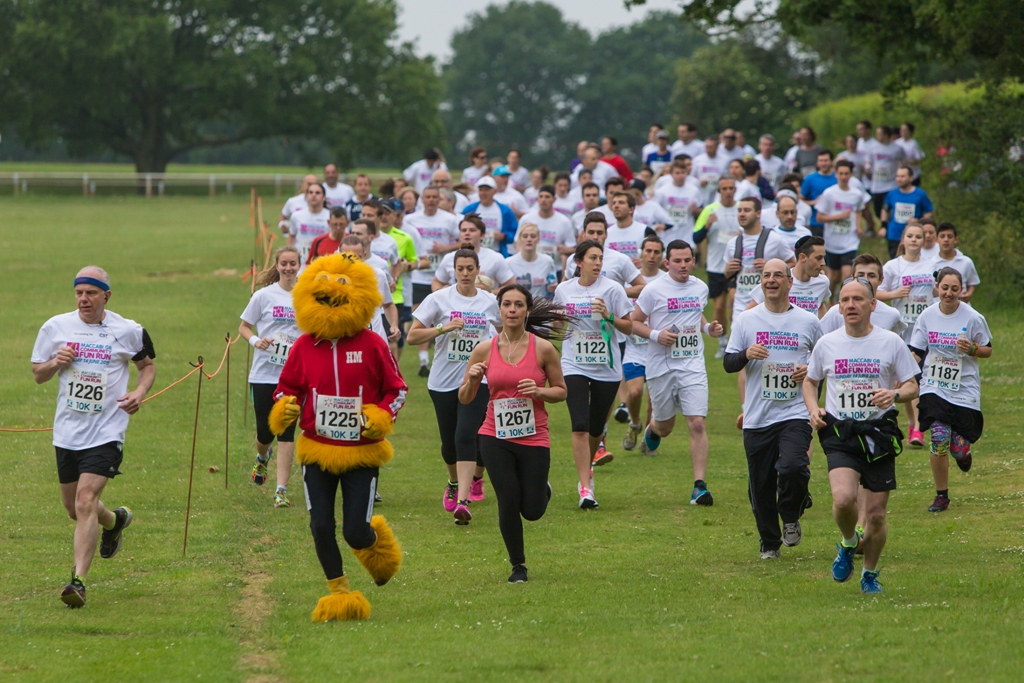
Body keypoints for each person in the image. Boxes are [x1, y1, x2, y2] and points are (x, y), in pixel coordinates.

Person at [268, 253, 406, 621]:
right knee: (320, 526)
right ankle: (340, 593)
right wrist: (285, 408)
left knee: (356, 532)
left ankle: (380, 552)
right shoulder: (303, 346)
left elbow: (398, 390)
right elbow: (285, 389)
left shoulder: (374, 344)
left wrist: (381, 415)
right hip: (316, 450)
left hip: (361, 452)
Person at [32, 266, 156, 608]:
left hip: (107, 430)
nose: (84, 299)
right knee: (75, 509)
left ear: (106, 295)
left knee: (86, 500)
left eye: (91, 292)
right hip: (67, 431)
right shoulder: (55, 327)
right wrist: (57, 361)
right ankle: (115, 521)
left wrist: (139, 392)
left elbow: (147, 365)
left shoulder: (128, 330)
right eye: (79, 293)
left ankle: (78, 582)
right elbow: (37, 374)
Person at [803, 276, 920, 595]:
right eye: (845, 300)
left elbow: (912, 385)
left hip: (878, 433)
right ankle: (848, 541)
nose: (850, 305)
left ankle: (869, 573)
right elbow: (810, 381)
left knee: (877, 514)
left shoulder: (890, 341)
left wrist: (894, 396)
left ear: (872, 304)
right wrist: (813, 408)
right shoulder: (827, 343)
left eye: (857, 299)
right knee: (843, 500)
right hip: (840, 431)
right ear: (839, 306)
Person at [461, 284, 569, 582]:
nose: (512, 310)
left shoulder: (542, 348)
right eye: (506, 304)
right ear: (499, 309)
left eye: (518, 305)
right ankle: (518, 565)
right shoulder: (484, 349)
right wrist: (471, 381)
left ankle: (542, 490)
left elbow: (561, 391)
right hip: (494, 435)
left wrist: (540, 391)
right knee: (507, 499)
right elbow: (464, 398)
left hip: (534, 436)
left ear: (526, 310)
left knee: (532, 510)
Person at [725, 258, 820, 558]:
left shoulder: (808, 321)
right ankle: (769, 542)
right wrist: (745, 354)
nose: (771, 280)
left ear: (790, 283)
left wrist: (810, 371)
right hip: (758, 415)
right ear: (761, 282)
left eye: (778, 275)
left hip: (795, 411)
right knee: (761, 484)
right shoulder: (746, 320)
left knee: (794, 466)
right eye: (766, 275)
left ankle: (790, 514)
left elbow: (823, 361)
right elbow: (728, 363)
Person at [408, 248, 501, 525]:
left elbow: (509, 330)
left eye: (469, 269)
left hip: (477, 379)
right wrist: (442, 329)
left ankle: (463, 501)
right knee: (449, 444)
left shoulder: (490, 302)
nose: (465, 274)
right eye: (460, 269)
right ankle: (452, 481)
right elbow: (412, 337)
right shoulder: (438, 299)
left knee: (465, 436)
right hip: (443, 382)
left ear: (477, 270)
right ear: (453, 270)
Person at [631, 241, 725, 504]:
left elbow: (697, 317)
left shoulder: (700, 287)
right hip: (661, 367)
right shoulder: (653, 290)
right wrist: (655, 334)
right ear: (667, 263)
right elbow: (633, 322)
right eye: (678, 261)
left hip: (692, 365)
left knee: (696, 423)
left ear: (693, 261)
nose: (683, 265)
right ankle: (652, 430)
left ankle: (699, 487)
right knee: (665, 426)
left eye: (688, 260)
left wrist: (709, 330)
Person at [553, 241, 634, 508]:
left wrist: (608, 316)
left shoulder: (613, 289)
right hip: (573, 364)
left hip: (606, 368)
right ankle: (585, 487)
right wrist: (557, 316)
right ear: (579, 262)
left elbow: (629, 327)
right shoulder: (564, 290)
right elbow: (556, 324)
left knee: (596, 429)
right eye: (592, 258)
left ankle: (587, 471)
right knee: (580, 424)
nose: (598, 263)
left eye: (600, 258)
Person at [909, 267, 993, 512]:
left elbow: (988, 350)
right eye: (944, 288)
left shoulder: (973, 317)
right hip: (933, 386)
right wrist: (901, 372)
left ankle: (962, 454)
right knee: (939, 438)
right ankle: (941, 495)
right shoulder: (926, 316)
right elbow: (916, 351)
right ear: (937, 287)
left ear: (961, 290)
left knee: (957, 446)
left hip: (963, 389)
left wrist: (972, 349)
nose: (948, 293)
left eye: (954, 289)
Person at [241, 247, 302, 507]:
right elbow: (244, 326)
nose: (288, 268)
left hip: (294, 376)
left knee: (287, 432)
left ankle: (281, 490)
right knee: (265, 433)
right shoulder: (263, 296)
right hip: (264, 374)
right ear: (277, 266)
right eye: (284, 264)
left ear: (299, 265)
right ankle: (262, 457)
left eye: (293, 263)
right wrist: (256, 341)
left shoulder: (307, 296)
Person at [877, 222, 935, 446]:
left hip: (924, 331)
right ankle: (913, 425)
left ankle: (918, 430)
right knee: (907, 382)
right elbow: (875, 291)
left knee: (920, 381)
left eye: (918, 237)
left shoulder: (931, 265)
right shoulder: (893, 266)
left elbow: (938, 291)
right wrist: (894, 293)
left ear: (924, 240)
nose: (914, 240)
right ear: (903, 239)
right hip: (902, 332)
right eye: (910, 236)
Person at [620, 235, 666, 450]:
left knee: (654, 402)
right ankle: (635, 423)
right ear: (641, 253)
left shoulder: (667, 281)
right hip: (634, 348)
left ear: (662, 256)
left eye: (657, 252)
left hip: (659, 347)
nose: (652, 256)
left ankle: (648, 439)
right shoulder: (630, 281)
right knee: (635, 392)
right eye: (648, 251)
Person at [692, 176, 742, 358]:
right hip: (715, 266)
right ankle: (723, 341)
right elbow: (696, 238)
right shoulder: (710, 209)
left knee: (735, 300)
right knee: (720, 306)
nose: (728, 191)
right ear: (719, 191)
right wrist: (707, 225)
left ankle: (736, 339)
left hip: (737, 266)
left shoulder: (741, 209)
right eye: (725, 188)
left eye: (731, 188)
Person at [819, 254, 905, 336]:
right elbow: (819, 341)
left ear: (881, 280)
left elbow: (897, 346)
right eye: (860, 275)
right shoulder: (836, 312)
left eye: (871, 276)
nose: (866, 280)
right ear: (853, 278)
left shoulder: (891, 315)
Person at [816, 160, 867, 295]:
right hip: (832, 241)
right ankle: (831, 299)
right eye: (841, 174)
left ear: (851, 175)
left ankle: (842, 301)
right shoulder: (829, 193)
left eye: (846, 174)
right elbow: (819, 217)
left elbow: (858, 210)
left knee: (846, 275)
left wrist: (858, 226)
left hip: (850, 241)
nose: (843, 177)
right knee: (834, 277)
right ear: (836, 174)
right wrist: (838, 217)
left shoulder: (856, 194)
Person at [749, 235, 830, 318]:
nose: (823, 263)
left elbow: (820, 305)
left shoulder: (823, 282)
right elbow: (748, 313)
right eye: (819, 258)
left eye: (824, 258)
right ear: (802, 257)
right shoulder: (780, 280)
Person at [433, 214, 516, 292]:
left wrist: (489, 293)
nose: (467, 233)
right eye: (463, 230)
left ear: (482, 235)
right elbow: (436, 281)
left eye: (472, 230)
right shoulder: (449, 258)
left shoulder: (495, 258)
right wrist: (440, 292)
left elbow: (511, 285)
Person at [516, 184, 576, 267]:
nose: (543, 200)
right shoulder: (526, 219)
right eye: (541, 197)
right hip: (529, 265)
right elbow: (517, 242)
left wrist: (564, 250)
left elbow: (572, 247)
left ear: (554, 199)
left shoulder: (564, 221)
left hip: (554, 268)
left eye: (547, 197)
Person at [881, 165, 934, 258]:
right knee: (896, 261)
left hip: (914, 236)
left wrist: (919, 221)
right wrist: (883, 226)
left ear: (911, 178)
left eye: (902, 176)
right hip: (894, 234)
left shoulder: (920, 194)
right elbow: (885, 209)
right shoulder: (892, 194)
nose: (899, 179)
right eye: (897, 176)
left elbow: (930, 211)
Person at [654, 157, 704, 246]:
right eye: (677, 173)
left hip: (687, 234)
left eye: (683, 172)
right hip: (667, 235)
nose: (680, 176)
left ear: (687, 173)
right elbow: (655, 211)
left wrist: (695, 210)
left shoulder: (694, 190)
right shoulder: (662, 191)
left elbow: (701, 212)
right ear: (671, 174)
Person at [463, 176, 518, 256]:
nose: (483, 193)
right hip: (473, 253)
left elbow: (515, 233)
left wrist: (503, 236)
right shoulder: (470, 209)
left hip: (498, 252)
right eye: (481, 190)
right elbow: (460, 230)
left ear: (494, 191)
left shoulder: (505, 210)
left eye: (486, 190)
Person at [506, 223, 558, 300]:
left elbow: (552, 285)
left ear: (538, 239)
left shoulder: (547, 261)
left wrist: (553, 289)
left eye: (533, 236)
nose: (529, 239)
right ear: (519, 239)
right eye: (525, 236)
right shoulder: (508, 262)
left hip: (540, 307)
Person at [865, 126, 906, 220]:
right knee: (878, 210)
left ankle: (887, 227)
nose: (876, 136)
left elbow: (903, 162)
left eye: (879, 134)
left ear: (886, 135)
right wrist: (868, 168)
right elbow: (868, 161)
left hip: (891, 184)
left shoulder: (897, 148)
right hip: (877, 184)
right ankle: (883, 222)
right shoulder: (873, 148)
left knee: (890, 207)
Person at [285, 182, 330, 265]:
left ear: (324, 197)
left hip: (322, 261)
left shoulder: (330, 216)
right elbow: (291, 235)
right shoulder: (296, 216)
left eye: (317, 193)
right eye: (310, 192)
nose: (313, 195)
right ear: (306, 196)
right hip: (301, 262)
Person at [934, 222, 980, 302]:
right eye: (942, 236)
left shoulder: (966, 262)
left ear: (956, 239)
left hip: (961, 306)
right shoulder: (931, 263)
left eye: (950, 236)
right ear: (936, 240)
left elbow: (972, 282)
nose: (946, 240)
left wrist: (969, 294)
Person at [800, 150, 837, 238]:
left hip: (835, 221)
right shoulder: (810, 179)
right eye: (821, 161)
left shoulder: (837, 178)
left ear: (831, 161)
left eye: (826, 160)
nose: (823, 163)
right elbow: (800, 200)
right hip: (816, 222)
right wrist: (814, 202)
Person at [691, 137, 729, 206]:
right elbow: (691, 178)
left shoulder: (725, 160)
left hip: (717, 194)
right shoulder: (697, 160)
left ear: (717, 147)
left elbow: (727, 177)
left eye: (711, 147)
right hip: (701, 194)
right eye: (707, 147)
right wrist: (698, 182)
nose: (708, 150)